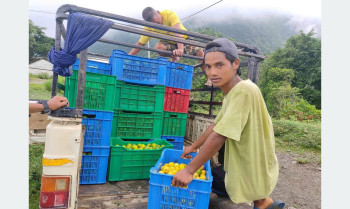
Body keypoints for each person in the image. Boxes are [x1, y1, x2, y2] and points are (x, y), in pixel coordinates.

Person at [171, 38, 285, 209]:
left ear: (235, 64)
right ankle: (266, 205)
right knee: (255, 193)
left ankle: (266, 205)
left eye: (219, 65)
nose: (212, 72)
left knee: (251, 190)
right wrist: (193, 146)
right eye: (208, 67)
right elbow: (215, 125)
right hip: (246, 155)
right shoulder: (231, 94)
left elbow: (219, 134)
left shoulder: (244, 90)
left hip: (253, 155)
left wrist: (189, 171)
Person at [128, 7, 212, 85]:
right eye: (154, 24)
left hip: (183, 39)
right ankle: (174, 56)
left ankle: (209, 77)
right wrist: (128, 56)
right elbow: (141, 43)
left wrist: (180, 49)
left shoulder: (169, 14)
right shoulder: (148, 28)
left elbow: (178, 32)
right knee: (158, 48)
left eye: (157, 22)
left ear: (158, 13)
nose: (158, 25)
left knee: (200, 52)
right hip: (168, 43)